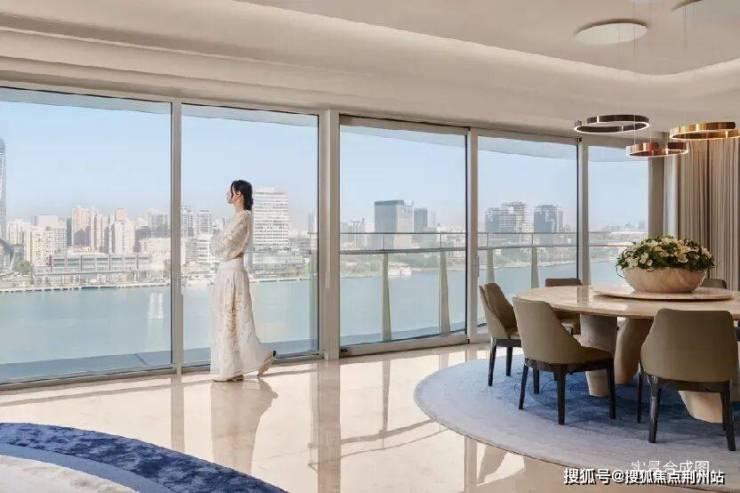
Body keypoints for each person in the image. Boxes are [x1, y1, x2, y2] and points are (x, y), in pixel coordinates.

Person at [209, 179, 275, 381]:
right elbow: (220, 245)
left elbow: (221, 244)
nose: (227, 194)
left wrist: (216, 241)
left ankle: (232, 368)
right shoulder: (238, 217)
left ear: (238, 194)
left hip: (232, 272)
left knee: (232, 319)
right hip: (227, 271)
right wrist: (217, 242)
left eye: (230, 191)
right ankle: (241, 365)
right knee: (232, 320)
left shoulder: (244, 217)